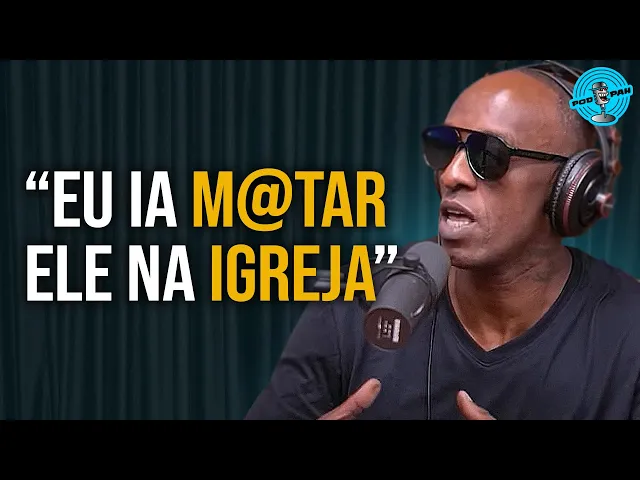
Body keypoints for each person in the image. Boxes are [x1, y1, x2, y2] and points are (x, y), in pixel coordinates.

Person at [244, 61, 640, 420]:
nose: (452, 175)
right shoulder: (351, 302)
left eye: (488, 155)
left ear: (571, 189)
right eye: (445, 146)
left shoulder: (630, 333)